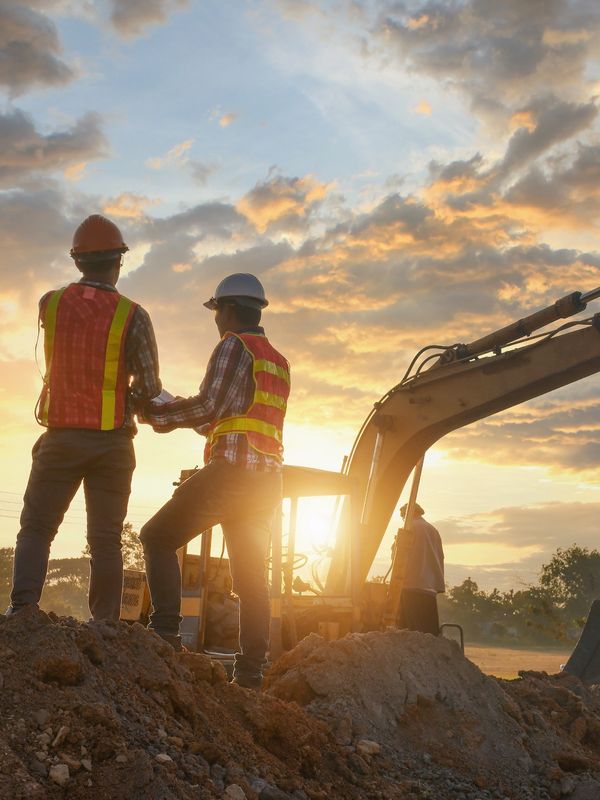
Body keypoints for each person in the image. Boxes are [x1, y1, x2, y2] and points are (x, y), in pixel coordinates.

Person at [6, 214, 162, 621]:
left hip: (61, 438)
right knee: (106, 540)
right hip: (112, 442)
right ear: (119, 262)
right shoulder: (134, 315)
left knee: (37, 528)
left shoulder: (50, 303)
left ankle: (23, 611)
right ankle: (105, 627)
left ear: (77, 261)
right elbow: (147, 387)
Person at [139, 272, 290, 690]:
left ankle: (165, 633)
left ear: (226, 310)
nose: (216, 320)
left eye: (216, 311)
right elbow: (230, 420)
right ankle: (250, 674)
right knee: (251, 579)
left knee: (156, 537)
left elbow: (208, 406)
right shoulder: (276, 360)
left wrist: (157, 414)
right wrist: (181, 414)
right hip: (266, 483)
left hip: (231, 476)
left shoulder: (232, 346)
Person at [395, 502, 445, 635]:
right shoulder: (433, 530)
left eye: (402, 516)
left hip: (411, 584)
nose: (402, 519)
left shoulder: (409, 527)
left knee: (409, 631)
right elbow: (440, 556)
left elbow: (397, 555)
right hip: (430, 587)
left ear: (408, 513)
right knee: (429, 632)